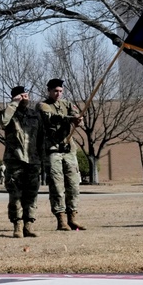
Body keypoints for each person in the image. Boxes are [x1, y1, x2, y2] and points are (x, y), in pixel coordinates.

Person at [38, 78, 86, 231]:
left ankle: (73, 217)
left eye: (60, 91)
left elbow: (78, 118)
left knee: (73, 185)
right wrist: (70, 118)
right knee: (57, 186)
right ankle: (61, 220)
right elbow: (51, 118)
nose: (58, 94)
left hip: (68, 150)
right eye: (55, 91)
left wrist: (79, 120)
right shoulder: (43, 105)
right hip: (53, 151)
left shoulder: (67, 104)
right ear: (49, 91)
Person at [0, 86, 42, 238]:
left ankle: (29, 224)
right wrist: (14, 103)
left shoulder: (34, 115)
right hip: (14, 159)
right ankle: (17, 224)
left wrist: (43, 158)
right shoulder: (9, 113)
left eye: (27, 95)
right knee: (15, 194)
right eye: (21, 96)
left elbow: (42, 137)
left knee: (32, 194)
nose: (25, 98)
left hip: (33, 160)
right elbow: (2, 121)